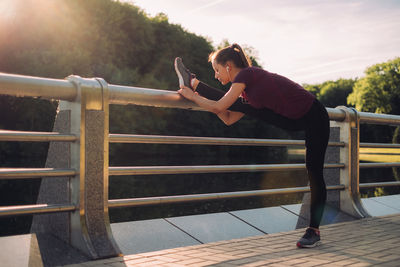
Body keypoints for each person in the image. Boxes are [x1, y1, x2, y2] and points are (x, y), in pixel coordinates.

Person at [174, 43, 330, 248]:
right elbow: (227, 117)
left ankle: (313, 230)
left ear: (228, 66)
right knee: (243, 105)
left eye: (217, 70)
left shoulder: (247, 75)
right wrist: (201, 99)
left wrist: (194, 96)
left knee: (314, 172)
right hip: (293, 119)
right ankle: (193, 82)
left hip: (314, 116)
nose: (216, 75)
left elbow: (220, 105)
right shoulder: (246, 89)